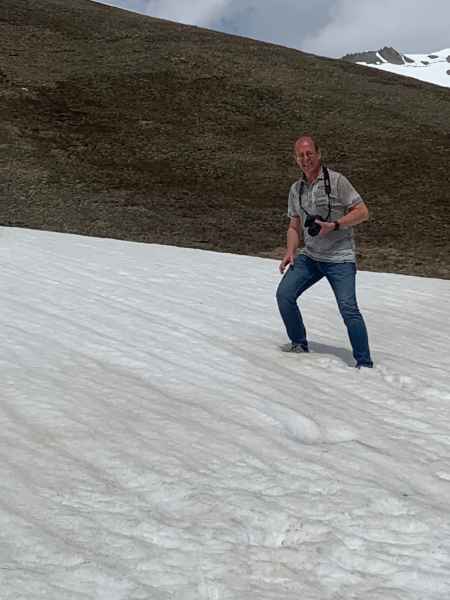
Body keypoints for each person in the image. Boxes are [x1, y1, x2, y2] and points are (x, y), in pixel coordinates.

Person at [276, 135, 373, 368]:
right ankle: (299, 343)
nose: (305, 159)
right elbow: (294, 225)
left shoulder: (337, 181)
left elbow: (362, 211)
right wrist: (290, 251)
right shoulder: (296, 189)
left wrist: (336, 225)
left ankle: (364, 363)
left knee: (348, 309)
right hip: (311, 256)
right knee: (284, 295)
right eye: (301, 155)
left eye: (309, 154)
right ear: (296, 159)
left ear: (319, 154)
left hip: (340, 258)